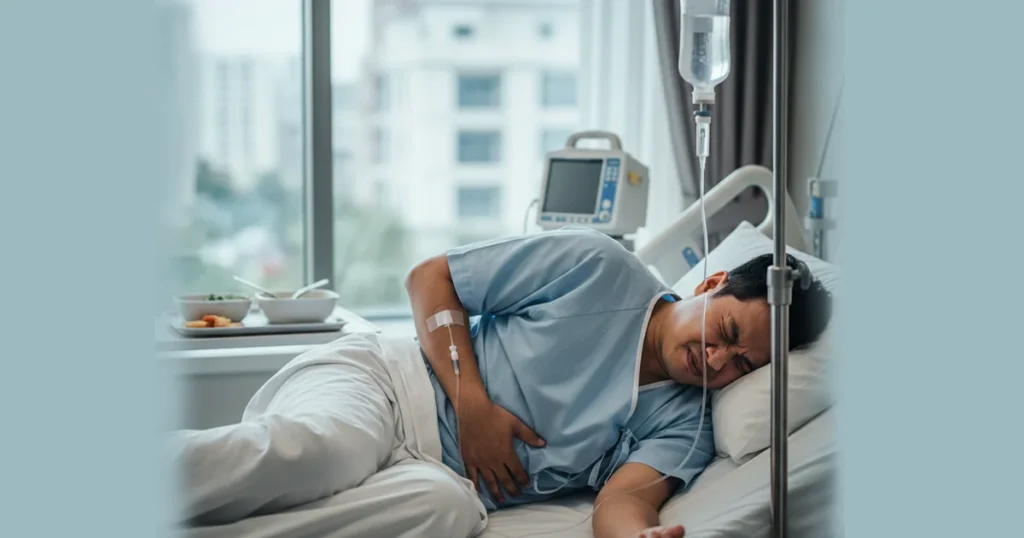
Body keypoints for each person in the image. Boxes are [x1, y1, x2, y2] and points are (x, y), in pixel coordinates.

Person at [171, 227, 832, 538]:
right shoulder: (601, 269)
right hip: (388, 384)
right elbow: (431, 276)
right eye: (731, 333)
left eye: (745, 366)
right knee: (324, 450)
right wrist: (472, 401)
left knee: (446, 515)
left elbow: (621, 502)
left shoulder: (685, 425)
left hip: (441, 476)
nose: (719, 362)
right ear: (713, 284)